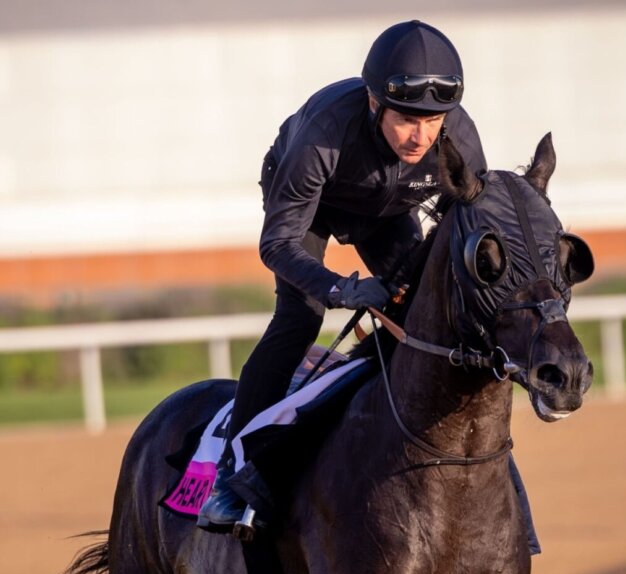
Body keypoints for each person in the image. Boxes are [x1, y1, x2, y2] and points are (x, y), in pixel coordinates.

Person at [197, 20, 487, 533]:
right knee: (299, 319)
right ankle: (232, 476)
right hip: (309, 209)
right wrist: (343, 289)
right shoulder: (324, 133)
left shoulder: (457, 135)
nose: (421, 137)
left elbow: (468, 222)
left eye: (433, 121)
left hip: (384, 210)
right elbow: (277, 244)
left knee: (422, 306)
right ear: (374, 103)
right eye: (406, 120)